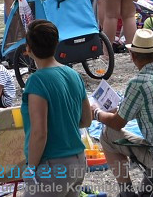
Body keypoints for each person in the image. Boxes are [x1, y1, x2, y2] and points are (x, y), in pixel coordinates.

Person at [95, 29, 153, 191]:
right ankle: (146, 188)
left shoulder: (138, 83)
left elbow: (117, 124)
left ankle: (126, 191)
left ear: (132, 55)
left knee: (107, 134)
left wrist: (96, 113)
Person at [20, 20, 90, 196]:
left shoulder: (37, 81)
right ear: (56, 43)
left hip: (52, 165)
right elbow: (86, 120)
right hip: (78, 160)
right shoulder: (73, 74)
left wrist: (31, 169)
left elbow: (39, 133)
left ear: (28, 49)